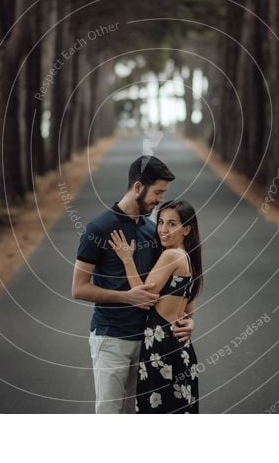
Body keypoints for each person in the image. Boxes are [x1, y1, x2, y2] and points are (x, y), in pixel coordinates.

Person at [71, 155, 195, 414]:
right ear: (138, 187)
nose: (160, 200)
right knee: (111, 413)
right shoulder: (98, 229)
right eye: (158, 192)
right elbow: (79, 288)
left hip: (149, 343)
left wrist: (186, 319)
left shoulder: (154, 231)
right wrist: (127, 297)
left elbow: (173, 284)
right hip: (111, 338)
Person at [109, 199, 202, 413]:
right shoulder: (188, 258)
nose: (163, 230)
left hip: (162, 350)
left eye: (172, 224)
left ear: (186, 229)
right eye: (160, 222)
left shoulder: (170, 255)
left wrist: (127, 259)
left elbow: (143, 298)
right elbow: (190, 311)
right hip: (181, 348)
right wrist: (189, 323)